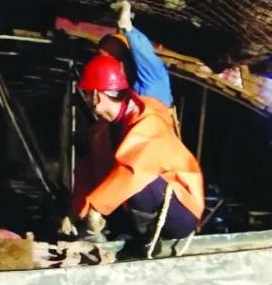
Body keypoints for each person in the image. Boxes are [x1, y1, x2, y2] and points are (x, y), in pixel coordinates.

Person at [62, 55, 204, 248]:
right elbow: (88, 172)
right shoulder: (100, 132)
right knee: (110, 185)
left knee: (137, 182)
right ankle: (130, 234)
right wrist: (76, 210)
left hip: (180, 213)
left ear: (96, 95)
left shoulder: (148, 122)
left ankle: (146, 238)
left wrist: (96, 208)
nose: (86, 99)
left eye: (86, 93)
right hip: (137, 212)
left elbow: (133, 171)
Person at [95, 0, 173, 108]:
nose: (110, 68)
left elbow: (144, 55)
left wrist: (127, 27)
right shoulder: (117, 90)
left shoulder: (153, 81)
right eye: (105, 62)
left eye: (115, 59)